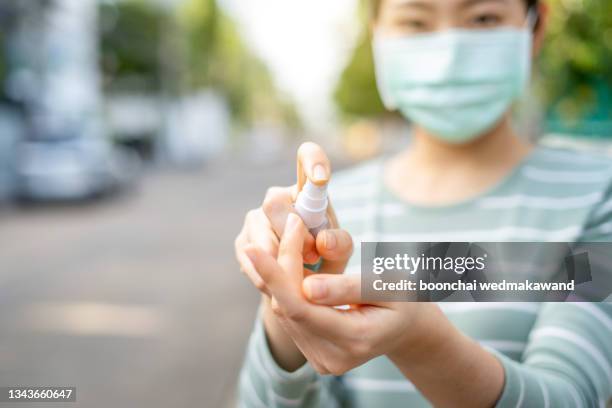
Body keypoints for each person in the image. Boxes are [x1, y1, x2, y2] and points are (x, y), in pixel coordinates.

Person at [234, 0, 612, 406]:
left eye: (483, 18)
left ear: (535, 28)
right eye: (415, 21)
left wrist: (422, 343)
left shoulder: (596, 195)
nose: (449, 51)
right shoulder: (336, 214)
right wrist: (284, 307)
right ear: (376, 33)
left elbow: (572, 396)